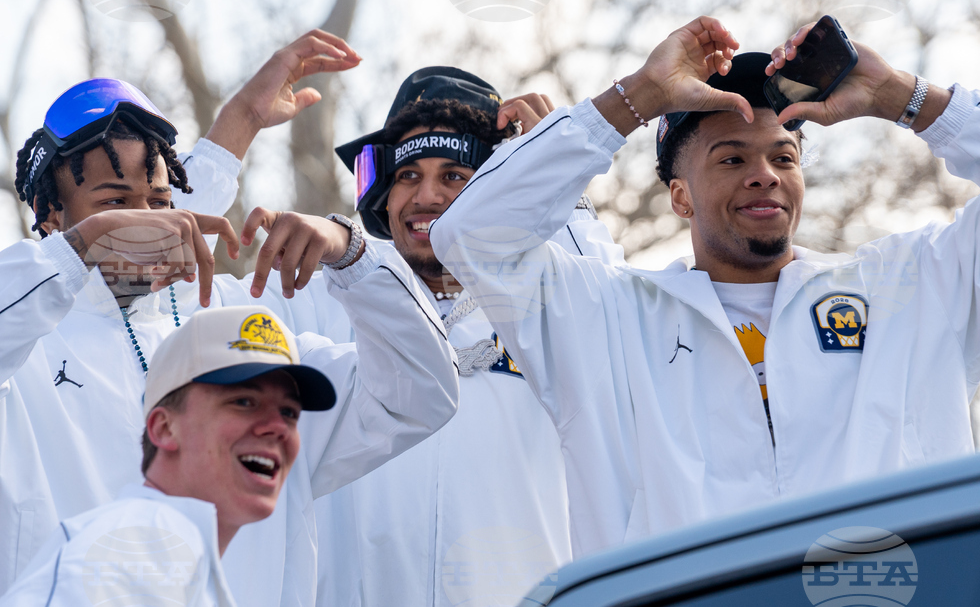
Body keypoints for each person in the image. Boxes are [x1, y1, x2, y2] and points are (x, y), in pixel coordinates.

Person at [430, 15, 980, 557]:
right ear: (680, 196)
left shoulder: (911, 291)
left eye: (784, 156)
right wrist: (636, 99)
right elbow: (471, 234)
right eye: (731, 158)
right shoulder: (603, 319)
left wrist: (904, 97)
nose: (765, 174)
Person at [0, 30, 461, 601]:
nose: (148, 222)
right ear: (50, 215)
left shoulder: (240, 326)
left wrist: (354, 254)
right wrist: (79, 250)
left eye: (161, 203)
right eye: (112, 205)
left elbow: (422, 392)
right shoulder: (24, 341)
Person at [306, 67, 623, 607]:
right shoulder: (322, 299)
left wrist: (560, 178)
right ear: (382, 192)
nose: (425, 196)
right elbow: (167, 317)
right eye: (407, 176)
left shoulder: (555, 304)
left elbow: (617, 325)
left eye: (455, 175)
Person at [0, 305, 337, 607]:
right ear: (163, 428)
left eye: (290, 413)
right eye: (244, 402)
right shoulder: (117, 563)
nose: (277, 427)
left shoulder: (171, 563)